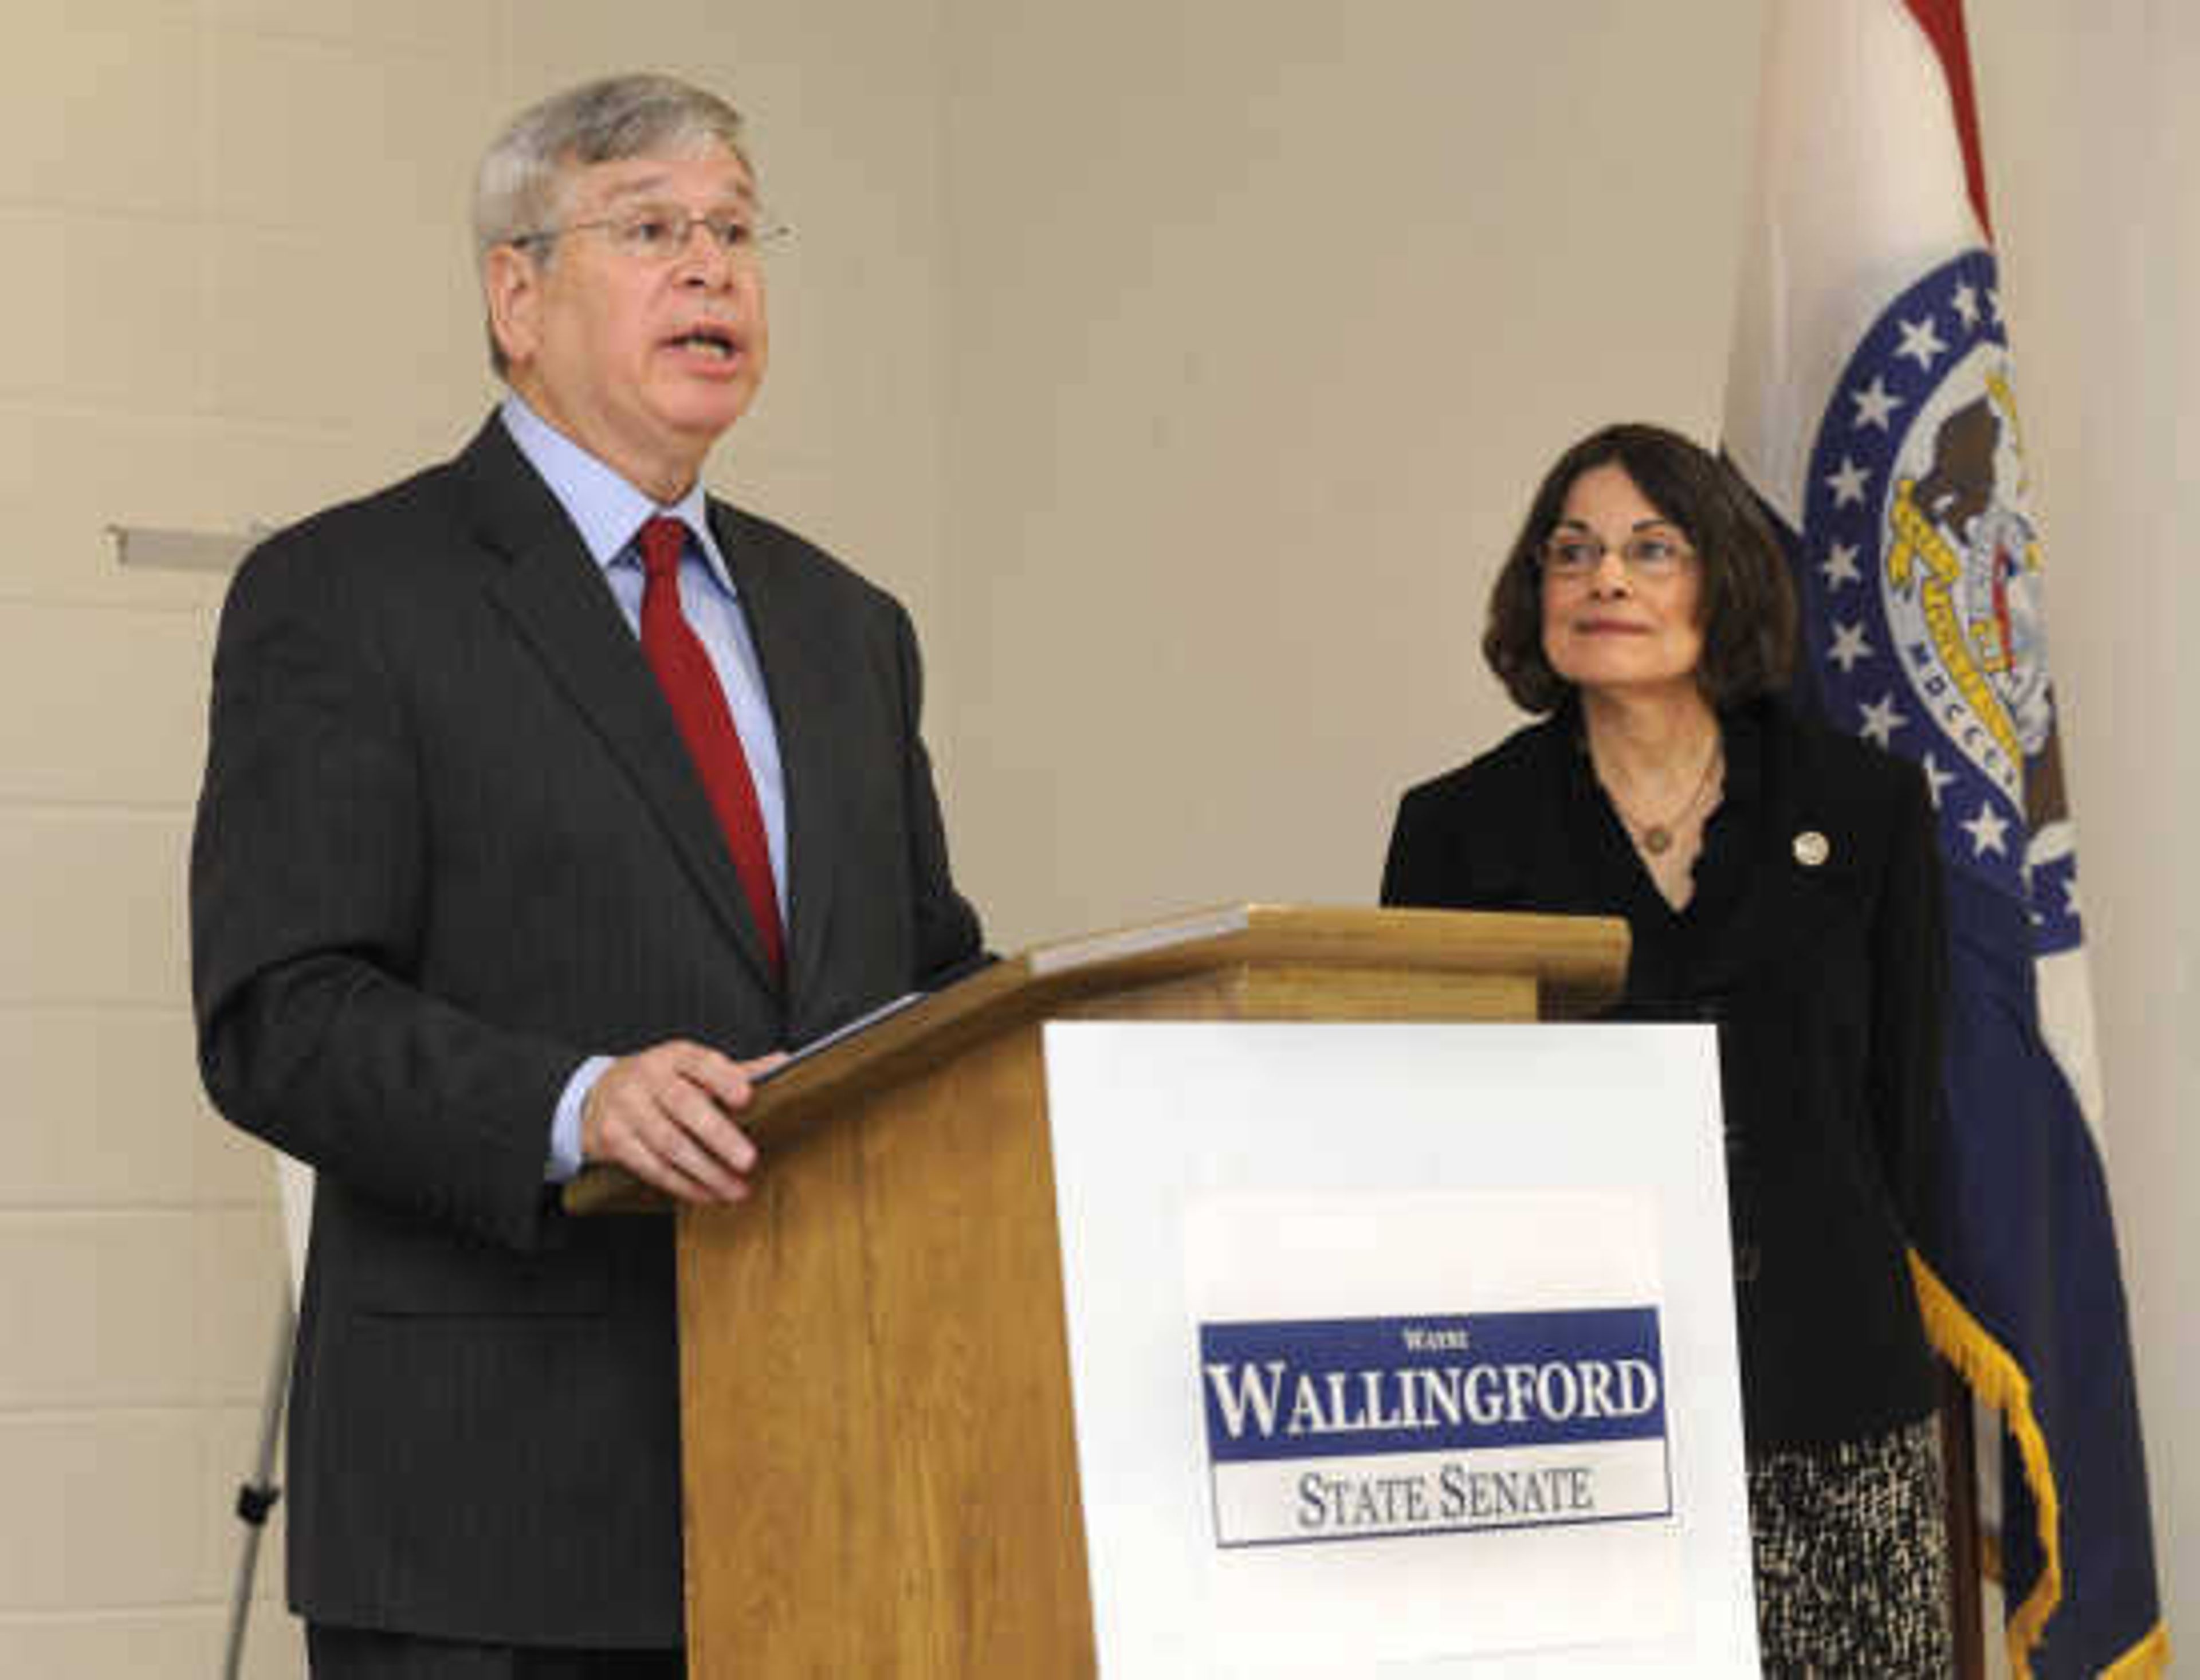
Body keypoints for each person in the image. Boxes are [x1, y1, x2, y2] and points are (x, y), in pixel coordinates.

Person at [190, 73, 982, 1678]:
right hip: (495, 1524)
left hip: (830, 1478)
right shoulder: (349, 594)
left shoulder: (850, 628)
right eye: (651, 228)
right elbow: (280, 1009)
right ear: (517, 293)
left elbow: (929, 982)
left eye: (736, 228)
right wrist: (575, 1102)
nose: (714, 268)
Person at [1380, 423, 1952, 1674]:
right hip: (1563, 1414)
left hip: (1830, 1391)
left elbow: (1902, 1113)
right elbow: (1425, 1140)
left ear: (1723, 579)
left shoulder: (1865, 809)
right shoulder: (1456, 831)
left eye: (1651, 547)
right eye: (1570, 550)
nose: (1606, 579)